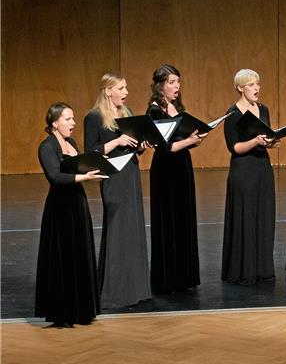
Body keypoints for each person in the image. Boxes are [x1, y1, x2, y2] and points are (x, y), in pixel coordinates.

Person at [84, 72, 152, 309]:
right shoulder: (94, 117)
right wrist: (117, 141)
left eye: (125, 88)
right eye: (121, 88)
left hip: (130, 174)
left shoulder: (128, 113)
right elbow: (91, 152)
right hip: (113, 177)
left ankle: (136, 289)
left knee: (132, 230)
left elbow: (134, 146)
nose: (126, 92)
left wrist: (141, 145)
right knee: (117, 229)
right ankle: (116, 291)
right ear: (108, 91)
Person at [36, 103, 106, 327]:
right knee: (63, 258)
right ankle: (63, 312)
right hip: (60, 210)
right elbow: (55, 177)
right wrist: (83, 178)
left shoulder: (72, 143)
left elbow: (81, 167)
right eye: (68, 119)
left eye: (73, 119)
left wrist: (92, 171)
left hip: (77, 204)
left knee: (79, 254)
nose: (73, 123)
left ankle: (81, 310)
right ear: (54, 123)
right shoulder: (46, 147)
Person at [147, 64, 206, 294]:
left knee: (184, 218)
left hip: (182, 166)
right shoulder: (154, 111)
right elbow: (164, 147)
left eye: (178, 82)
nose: (176, 87)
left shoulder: (176, 107)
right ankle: (168, 278)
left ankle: (184, 276)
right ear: (160, 85)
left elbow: (181, 139)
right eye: (172, 82)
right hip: (165, 170)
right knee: (168, 220)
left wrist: (194, 138)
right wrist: (190, 141)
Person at [222, 68, 278, 285]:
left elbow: (267, 136)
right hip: (243, 171)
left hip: (262, 168)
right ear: (240, 88)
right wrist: (255, 142)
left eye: (257, 84)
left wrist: (272, 142)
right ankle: (243, 270)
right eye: (251, 85)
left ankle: (262, 268)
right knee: (245, 218)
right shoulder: (233, 114)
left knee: (263, 216)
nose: (256, 88)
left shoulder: (263, 109)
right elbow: (234, 147)